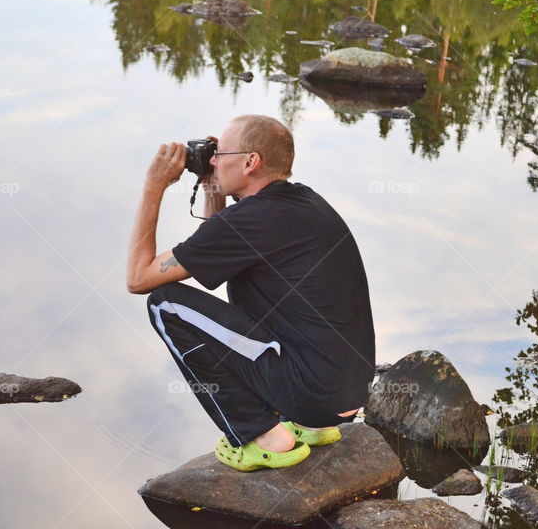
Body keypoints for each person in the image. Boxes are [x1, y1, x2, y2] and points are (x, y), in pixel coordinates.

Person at [126, 114, 375, 472]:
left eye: (220, 153)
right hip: (342, 394)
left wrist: (154, 186)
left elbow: (138, 278)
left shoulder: (251, 221)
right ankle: (312, 427)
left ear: (249, 162)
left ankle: (262, 436)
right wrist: (213, 184)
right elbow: (223, 239)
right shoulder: (302, 202)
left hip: (311, 391)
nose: (212, 159)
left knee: (166, 305)